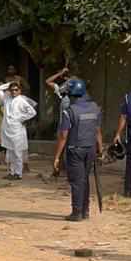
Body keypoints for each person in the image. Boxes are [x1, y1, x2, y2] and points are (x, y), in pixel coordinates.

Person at [52, 78, 103, 221]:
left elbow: (63, 136)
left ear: (70, 94)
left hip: (75, 150)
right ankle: (85, 211)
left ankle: (77, 212)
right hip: (90, 148)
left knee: (76, 181)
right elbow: (98, 131)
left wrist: (57, 157)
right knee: (85, 179)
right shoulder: (95, 108)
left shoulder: (69, 111)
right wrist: (100, 149)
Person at [0, 79, 37, 180]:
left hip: (17, 131)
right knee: (10, 153)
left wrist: (22, 118)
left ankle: (18, 174)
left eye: (16, 90)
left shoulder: (21, 100)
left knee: (17, 153)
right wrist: (10, 83)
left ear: (20, 91)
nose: (14, 92)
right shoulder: (6, 98)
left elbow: (32, 112)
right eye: (12, 90)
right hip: (7, 130)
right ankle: (11, 172)